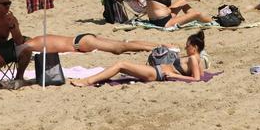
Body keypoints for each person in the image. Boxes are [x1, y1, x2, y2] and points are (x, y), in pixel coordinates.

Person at [71, 30, 206, 86]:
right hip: (157, 71)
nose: (185, 47)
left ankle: (88, 81)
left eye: (188, 45)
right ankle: (90, 79)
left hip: (158, 73)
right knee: (124, 67)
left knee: (121, 64)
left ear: (194, 47)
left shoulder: (193, 58)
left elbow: (196, 79)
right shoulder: (198, 59)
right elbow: (202, 75)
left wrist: (173, 75)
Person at [20, 34, 160, 55]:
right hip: (81, 38)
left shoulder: (31, 43)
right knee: (123, 43)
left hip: (80, 43)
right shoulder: (40, 37)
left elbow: (21, 49)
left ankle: (154, 48)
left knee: (118, 48)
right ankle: (162, 45)